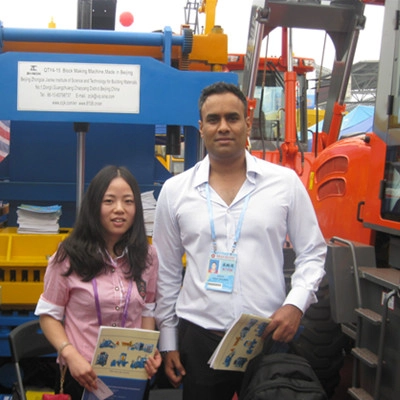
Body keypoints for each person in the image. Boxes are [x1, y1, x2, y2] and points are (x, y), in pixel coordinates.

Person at [153, 81, 327, 400]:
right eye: (213, 119)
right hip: (200, 338)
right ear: (201, 127)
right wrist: (168, 341)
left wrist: (295, 304)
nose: (223, 127)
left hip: (269, 335)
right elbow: (165, 271)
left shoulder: (284, 183)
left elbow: (313, 252)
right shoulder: (175, 191)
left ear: (247, 123)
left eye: (232, 118)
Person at [35, 165, 161, 399]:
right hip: (81, 374)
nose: (119, 209)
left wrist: (148, 350)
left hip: (130, 377)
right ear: (94, 206)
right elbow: (49, 315)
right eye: (109, 201)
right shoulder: (68, 256)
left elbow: (147, 309)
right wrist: (70, 354)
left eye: (128, 201)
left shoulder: (148, 256)